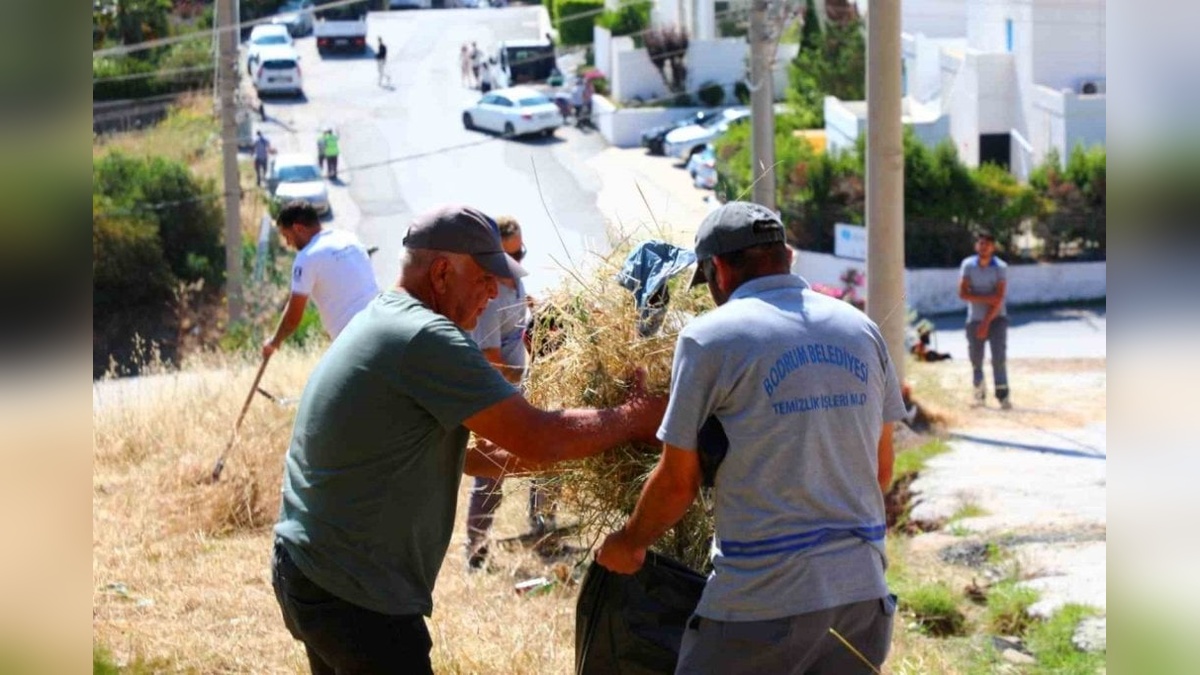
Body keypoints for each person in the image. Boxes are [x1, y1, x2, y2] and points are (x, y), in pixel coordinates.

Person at [271, 204, 667, 674]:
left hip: (311, 569)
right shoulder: (427, 337)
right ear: (442, 273)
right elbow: (537, 436)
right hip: (355, 593)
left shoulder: (385, 316)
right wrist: (635, 417)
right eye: (485, 278)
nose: (495, 292)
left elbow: (479, 455)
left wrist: (591, 445)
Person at [596, 201, 907, 675]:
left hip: (761, 605)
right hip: (863, 601)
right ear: (788, 256)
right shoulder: (860, 329)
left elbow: (678, 483)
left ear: (718, 269)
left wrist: (630, 541)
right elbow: (881, 472)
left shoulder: (709, 338)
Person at [463, 216, 555, 570]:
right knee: (490, 474)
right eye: (511, 256)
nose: (518, 261)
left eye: (522, 253)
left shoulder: (514, 281)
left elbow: (519, 317)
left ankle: (543, 529)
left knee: (547, 458)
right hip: (497, 397)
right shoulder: (488, 298)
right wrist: (536, 374)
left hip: (520, 389)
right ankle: (476, 554)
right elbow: (491, 361)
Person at [262, 201, 379, 358]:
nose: (288, 244)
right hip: (381, 321)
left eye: (287, 236)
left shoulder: (306, 257)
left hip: (354, 341)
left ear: (298, 228)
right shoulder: (349, 237)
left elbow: (293, 317)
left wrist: (274, 342)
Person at [958, 231, 1010, 408]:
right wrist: (989, 297)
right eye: (980, 243)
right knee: (976, 359)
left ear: (993, 247)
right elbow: (963, 293)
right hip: (974, 319)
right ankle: (979, 394)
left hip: (997, 319)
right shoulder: (968, 265)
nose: (983, 247)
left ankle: (1003, 395)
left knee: (998, 358)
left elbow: (999, 299)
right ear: (976, 246)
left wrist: (986, 322)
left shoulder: (1000, 267)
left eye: (987, 244)